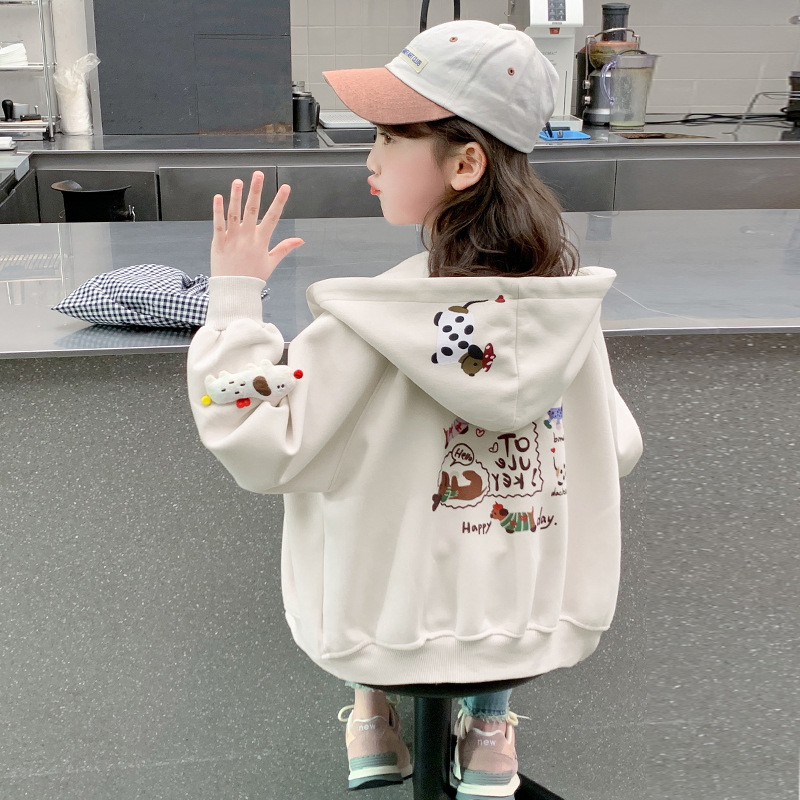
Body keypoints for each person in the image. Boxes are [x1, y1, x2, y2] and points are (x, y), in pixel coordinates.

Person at [187, 19, 642, 800]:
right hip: (527, 624)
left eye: (391, 138)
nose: (370, 158)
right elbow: (617, 444)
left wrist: (233, 298)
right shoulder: (564, 315)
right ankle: (489, 732)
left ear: (465, 163)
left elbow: (253, 435)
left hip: (384, 632)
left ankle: (372, 715)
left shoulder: (369, 322)